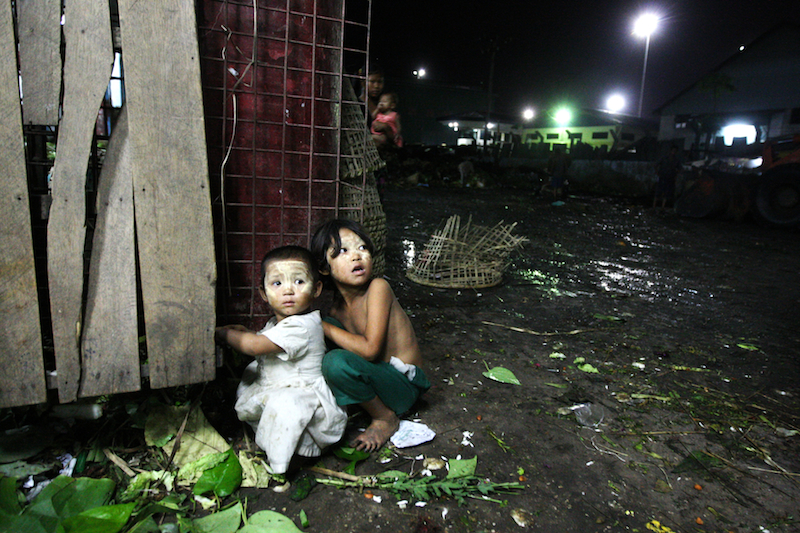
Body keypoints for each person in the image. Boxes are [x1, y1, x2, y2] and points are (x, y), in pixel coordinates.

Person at [215, 246, 347, 475]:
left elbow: (254, 346)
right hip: (277, 383)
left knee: (287, 407)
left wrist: (221, 333)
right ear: (264, 293)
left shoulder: (303, 326)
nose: (288, 291)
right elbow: (263, 341)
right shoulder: (280, 323)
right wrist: (246, 332)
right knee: (251, 374)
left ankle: (287, 461)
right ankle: (270, 440)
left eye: (298, 282)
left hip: (302, 396)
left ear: (316, 289)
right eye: (277, 283)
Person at [310, 219, 431, 452]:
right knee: (325, 333)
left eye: (362, 248)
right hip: (379, 379)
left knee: (334, 359)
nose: (357, 256)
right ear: (325, 268)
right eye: (343, 251)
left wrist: (322, 326)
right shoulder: (336, 310)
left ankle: (385, 418)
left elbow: (370, 350)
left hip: (404, 386)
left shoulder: (378, 288)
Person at [653, 145, 682, 210]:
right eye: (673, 151)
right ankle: (654, 206)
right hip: (663, 176)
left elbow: (680, 169)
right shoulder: (664, 158)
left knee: (667, 193)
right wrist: (657, 172)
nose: (673, 152)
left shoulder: (676, 160)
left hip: (670, 178)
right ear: (670, 151)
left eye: (675, 151)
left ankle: (662, 207)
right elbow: (655, 165)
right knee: (658, 191)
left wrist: (676, 175)